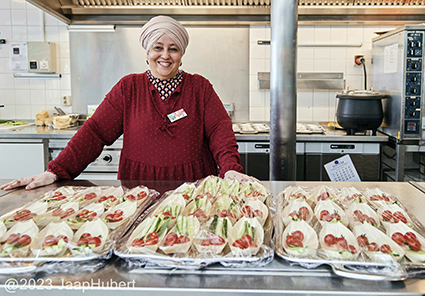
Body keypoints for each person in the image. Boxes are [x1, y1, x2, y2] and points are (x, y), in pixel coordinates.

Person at [1, 15, 256, 191]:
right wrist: (56, 171)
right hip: (137, 189)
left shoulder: (199, 87)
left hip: (195, 188)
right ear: (147, 51)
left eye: (173, 48)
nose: (165, 55)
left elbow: (220, 131)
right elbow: (95, 131)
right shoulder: (128, 88)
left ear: (181, 54)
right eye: (158, 47)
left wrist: (230, 168)